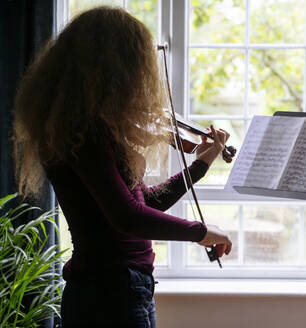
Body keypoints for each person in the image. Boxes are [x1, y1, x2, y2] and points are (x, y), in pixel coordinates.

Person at [12, 6, 232, 328]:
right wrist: (202, 232)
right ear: (113, 69)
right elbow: (128, 217)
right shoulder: (85, 132)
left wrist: (201, 163)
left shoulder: (84, 128)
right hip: (111, 291)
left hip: (118, 287)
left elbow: (144, 203)